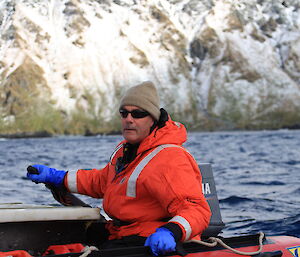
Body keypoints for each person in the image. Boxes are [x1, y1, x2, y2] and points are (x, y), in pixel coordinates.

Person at [27, 81, 211, 256]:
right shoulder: (128, 150)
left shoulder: (170, 158)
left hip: (146, 239)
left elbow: (197, 211)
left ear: (153, 119)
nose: (129, 119)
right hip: (121, 232)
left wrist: (171, 232)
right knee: (63, 238)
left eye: (138, 114)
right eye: (124, 113)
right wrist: (58, 177)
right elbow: (101, 182)